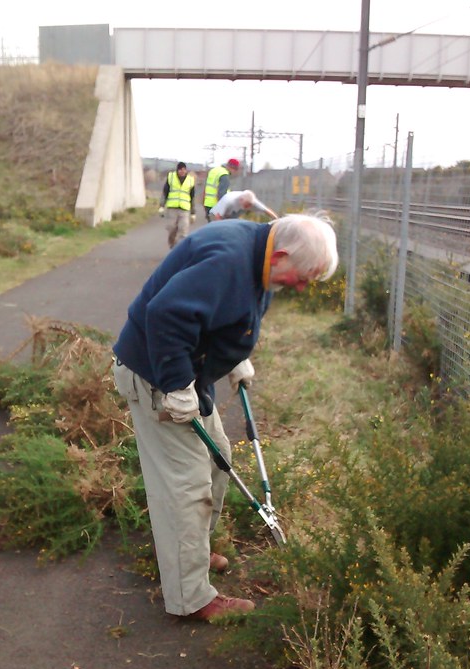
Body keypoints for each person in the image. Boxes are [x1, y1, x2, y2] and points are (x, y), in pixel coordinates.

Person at [112, 212, 339, 621]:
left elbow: (219, 313)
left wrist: (236, 358)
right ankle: (191, 597)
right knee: (187, 487)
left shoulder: (258, 256)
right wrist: (178, 385)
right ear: (282, 254)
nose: (302, 287)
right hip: (157, 378)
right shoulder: (229, 260)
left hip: (185, 376)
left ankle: (189, 554)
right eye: (303, 277)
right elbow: (165, 314)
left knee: (218, 458)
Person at [158, 161, 197, 248]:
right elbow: (165, 193)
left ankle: (179, 249)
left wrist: (193, 213)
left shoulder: (190, 180)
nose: (182, 171)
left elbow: (192, 197)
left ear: (186, 170)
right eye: (180, 169)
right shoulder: (171, 178)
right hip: (172, 208)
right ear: (177, 170)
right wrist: (161, 206)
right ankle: (172, 244)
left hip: (185, 209)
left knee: (183, 230)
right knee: (171, 228)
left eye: (184, 169)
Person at [208, 189, 278, 221]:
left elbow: (266, 210)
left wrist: (278, 220)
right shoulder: (229, 200)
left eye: (249, 205)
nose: (248, 207)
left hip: (231, 217)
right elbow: (217, 216)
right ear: (241, 200)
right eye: (246, 205)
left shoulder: (251, 201)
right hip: (216, 215)